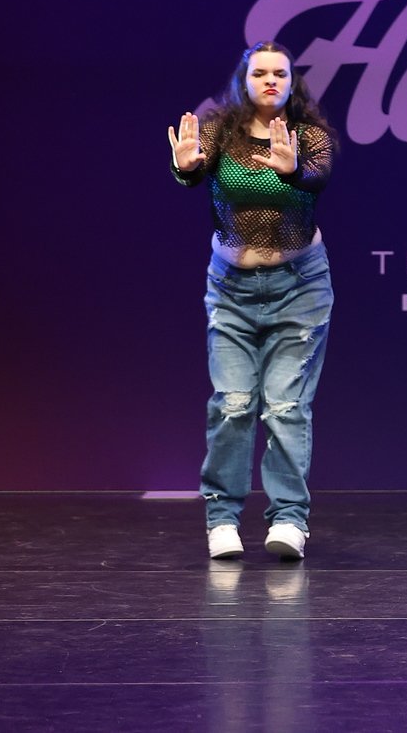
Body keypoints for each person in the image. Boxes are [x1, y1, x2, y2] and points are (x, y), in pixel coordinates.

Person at [168, 41, 336, 561]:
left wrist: (291, 170)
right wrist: (185, 168)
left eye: (279, 73)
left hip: (299, 287)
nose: (269, 80)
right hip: (232, 288)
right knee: (234, 405)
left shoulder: (309, 136)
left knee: (286, 407)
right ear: (244, 80)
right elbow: (195, 173)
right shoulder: (221, 131)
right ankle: (222, 519)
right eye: (259, 72)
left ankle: (289, 520)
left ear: (291, 81)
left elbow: (316, 179)